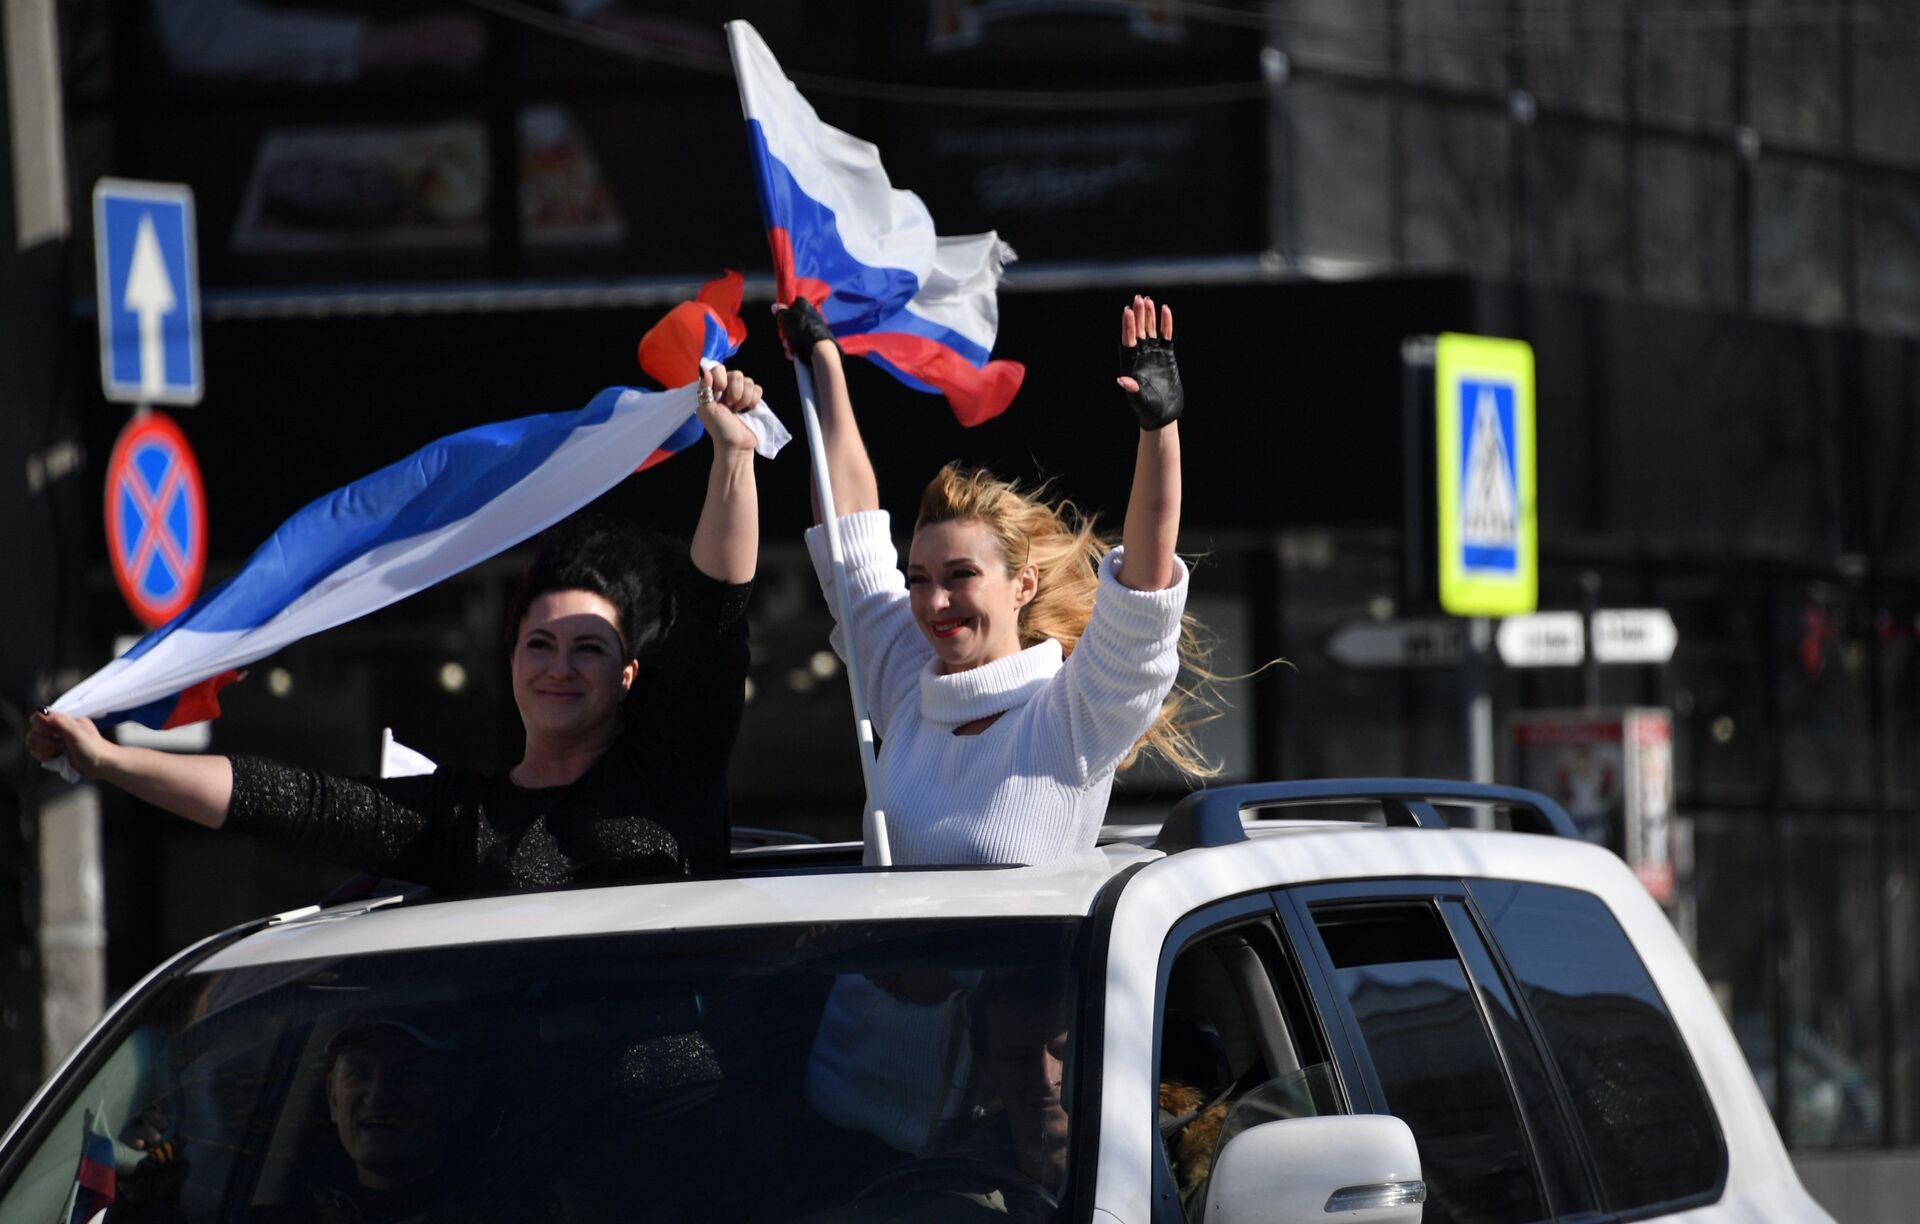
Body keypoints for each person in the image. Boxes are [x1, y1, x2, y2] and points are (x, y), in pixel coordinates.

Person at [27, 364, 767, 891]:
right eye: (539, 644)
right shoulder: (458, 818)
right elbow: (282, 800)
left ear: (628, 675)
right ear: (509, 660)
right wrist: (109, 763)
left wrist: (732, 455)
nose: (559, 667)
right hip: (525, 1112)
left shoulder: (675, 764)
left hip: (686, 1110)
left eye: (589, 650)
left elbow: (716, 610)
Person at [778, 294, 1216, 866]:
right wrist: (824, 361)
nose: (935, 600)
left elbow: (1141, 595)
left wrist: (1160, 429)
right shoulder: (908, 690)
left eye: (961, 576)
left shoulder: (1069, 718)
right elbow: (849, 537)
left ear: (1023, 584)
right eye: (918, 579)